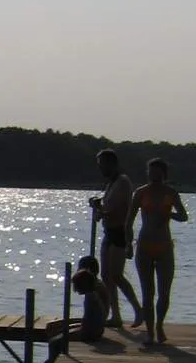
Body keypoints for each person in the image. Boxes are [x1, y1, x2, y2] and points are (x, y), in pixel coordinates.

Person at [127, 157, 189, 345]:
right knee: (148, 292)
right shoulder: (140, 193)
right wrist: (128, 244)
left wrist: (168, 213)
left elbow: (183, 216)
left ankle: (160, 325)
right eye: (151, 171)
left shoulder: (170, 193)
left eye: (158, 172)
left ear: (164, 173)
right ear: (148, 173)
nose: (154, 175)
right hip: (144, 245)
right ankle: (149, 331)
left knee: (164, 292)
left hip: (164, 246)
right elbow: (129, 220)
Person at [89, 148, 143, 328]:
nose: (100, 168)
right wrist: (96, 208)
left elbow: (113, 209)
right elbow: (102, 214)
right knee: (105, 275)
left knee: (117, 275)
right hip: (108, 233)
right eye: (99, 165)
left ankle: (138, 310)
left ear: (112, 164)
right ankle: (115, 315)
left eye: (102, 164)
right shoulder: (110, 184)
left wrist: (100, 209)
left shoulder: (122, 182)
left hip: (120, 232)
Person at [70, 255, 110, 343]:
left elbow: (87, 319)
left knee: (57, 337)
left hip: (92, 331)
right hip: (97, 327)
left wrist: (79, 331)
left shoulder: (92, 293)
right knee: (55, 325)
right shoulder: (97, 285)